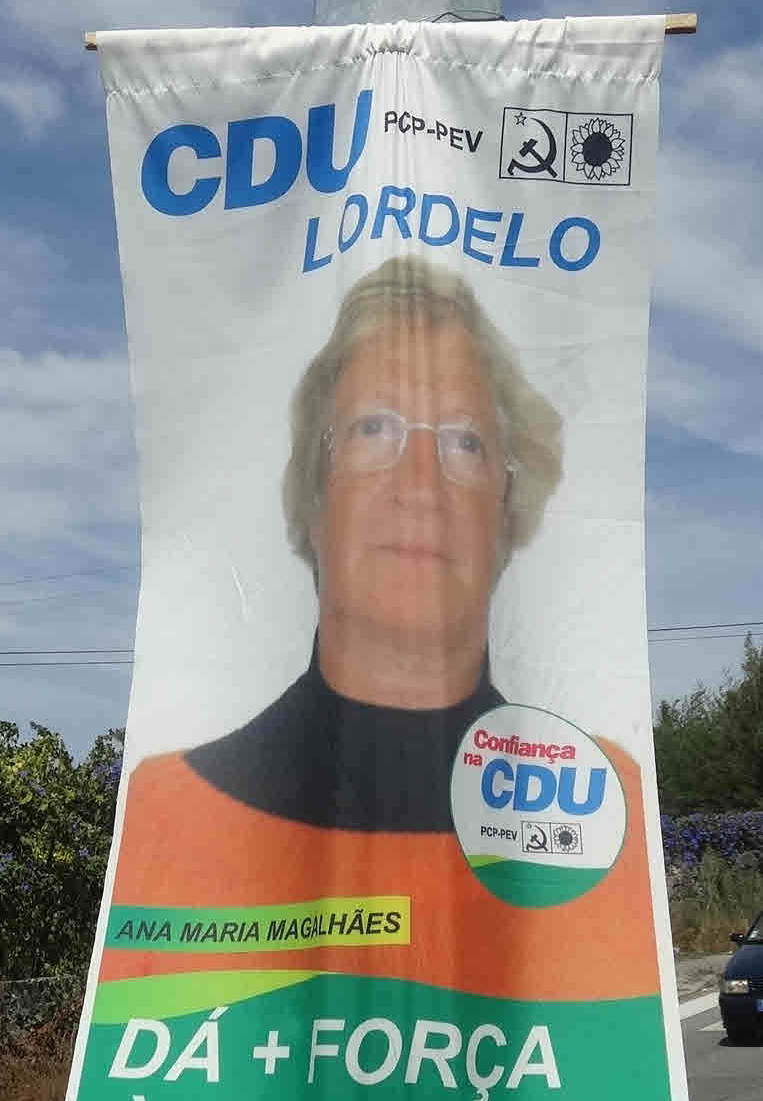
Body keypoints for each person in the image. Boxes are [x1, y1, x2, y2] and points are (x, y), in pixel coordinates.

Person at [108, 256, 658, 1004]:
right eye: (374, 429)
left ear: (507, 512)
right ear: (313, 495)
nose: (420, 485)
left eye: (465, 442)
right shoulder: (169, 814)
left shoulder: (600, 818)